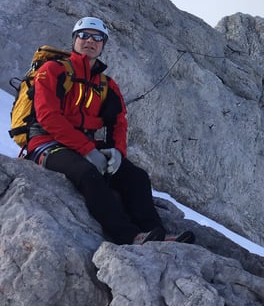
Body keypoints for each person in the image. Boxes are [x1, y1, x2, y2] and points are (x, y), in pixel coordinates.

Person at [27, 16, 194, 245]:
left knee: (137, 177)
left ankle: (156, 234)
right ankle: (130, 236)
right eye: (84, 35)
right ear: (74, 40)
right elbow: (48, 116)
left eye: (97, 38)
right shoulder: (53, 70)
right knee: (87, 173)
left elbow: (118, 122)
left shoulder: (106, 84)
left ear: (103, 45)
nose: (90, 41)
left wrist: (118, 152)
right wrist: (87, 150)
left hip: (84, 145)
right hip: (47, 143)